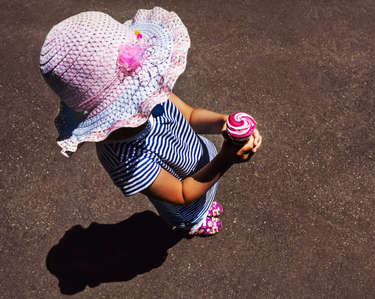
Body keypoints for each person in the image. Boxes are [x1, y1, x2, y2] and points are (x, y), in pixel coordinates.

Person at [40, 7, 262, 236]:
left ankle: (204, 205)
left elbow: (192, 116)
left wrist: (222, 122)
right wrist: (225, 159)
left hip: (200, 161)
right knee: (192, 209)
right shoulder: (124, 158)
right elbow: (182, 193)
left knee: (206, 189)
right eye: (139, 91)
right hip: (185, 196)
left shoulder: (150, 91)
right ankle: (195, 223)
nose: (150, 92)